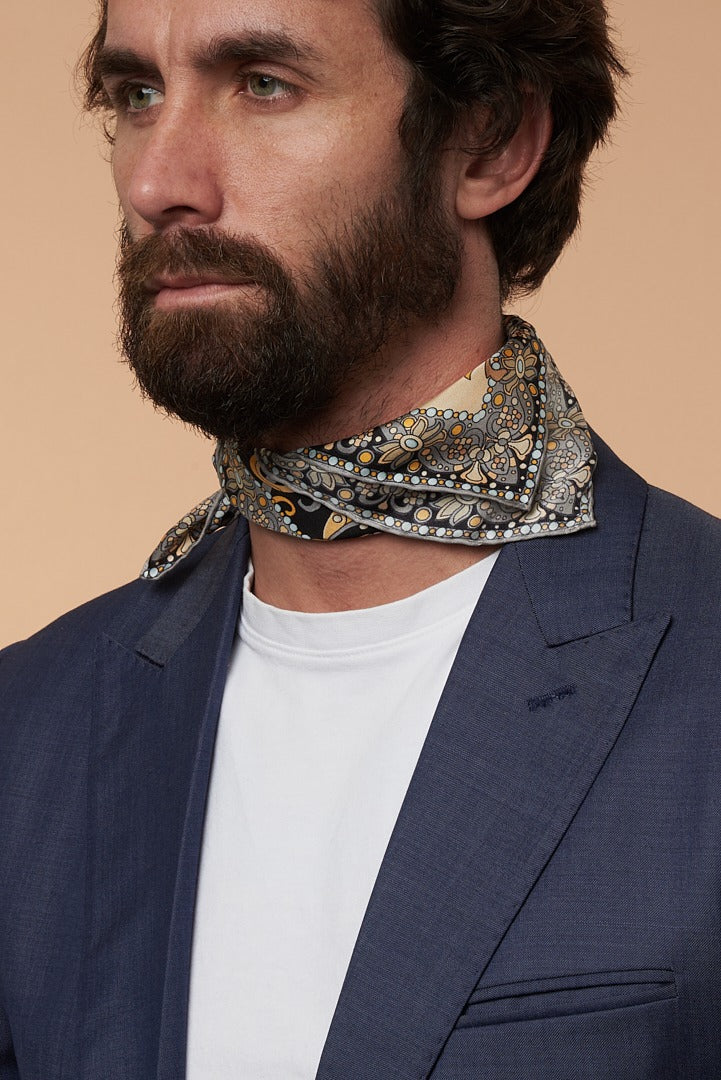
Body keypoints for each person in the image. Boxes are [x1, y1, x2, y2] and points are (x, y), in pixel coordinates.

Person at [1, 0, 719, 1076]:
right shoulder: (28, 731)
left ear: (490, 141)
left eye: (263, 85)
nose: (157, 182)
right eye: (137, 95)